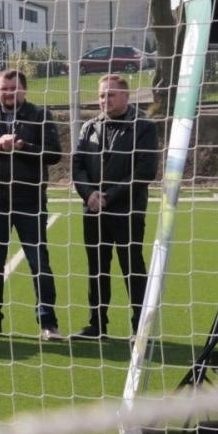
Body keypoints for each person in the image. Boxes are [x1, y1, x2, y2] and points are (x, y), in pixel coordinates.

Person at [0, 68, 64, 340]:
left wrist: (23, 147)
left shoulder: (40, 116)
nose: (8, 93)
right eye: (3, 88)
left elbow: (54, 153)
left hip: (30, 200)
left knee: (39, 262)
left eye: (13, 88)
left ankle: (48, 323)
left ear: (24, 90)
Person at [73, 75, 159, 339]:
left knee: (132, 268)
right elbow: (77, 166)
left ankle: (140, 327)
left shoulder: (143, 126)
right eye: (101, 95)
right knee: (97, 269)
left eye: (110, 95)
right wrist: (89, 195)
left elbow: (145, 170)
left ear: (126, 96)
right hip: (94, 211)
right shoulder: (89, 127)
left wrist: (109, 195)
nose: (104, 100)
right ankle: (97, 325)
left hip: (127, 211)